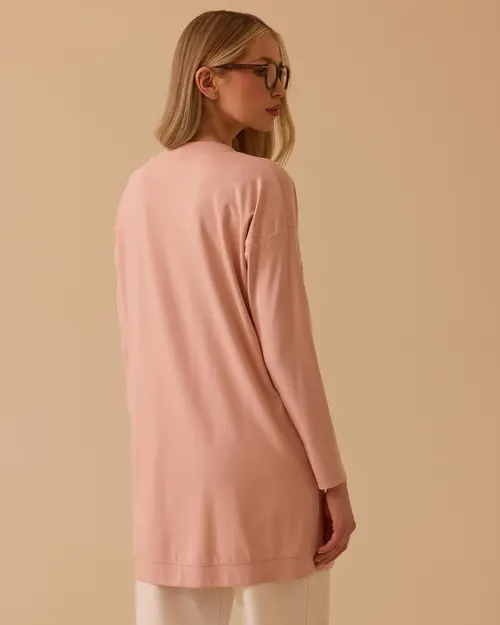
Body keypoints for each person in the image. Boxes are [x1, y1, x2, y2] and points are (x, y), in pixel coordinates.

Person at [114, 9, 356, 625]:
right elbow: (288, 351)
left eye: (284, 72)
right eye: (263, 70)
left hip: (167, 481)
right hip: (264, 472)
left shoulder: (138, 190)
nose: (279, 88)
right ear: (207, 80)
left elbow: (137, 348)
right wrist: (331, 480)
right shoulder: (261, 184)